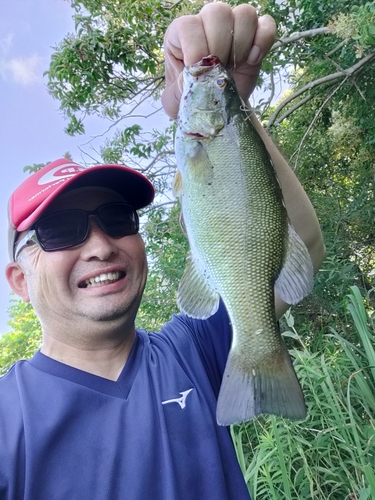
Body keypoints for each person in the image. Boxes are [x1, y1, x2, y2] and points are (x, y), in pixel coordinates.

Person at [1, 3, 325, 500]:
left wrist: (232, 108)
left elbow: (301, 244)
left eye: (117, 220)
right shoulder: (6, 419)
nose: (101, 244)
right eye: (63, 230)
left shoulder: (191, 348)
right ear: (19, 280)